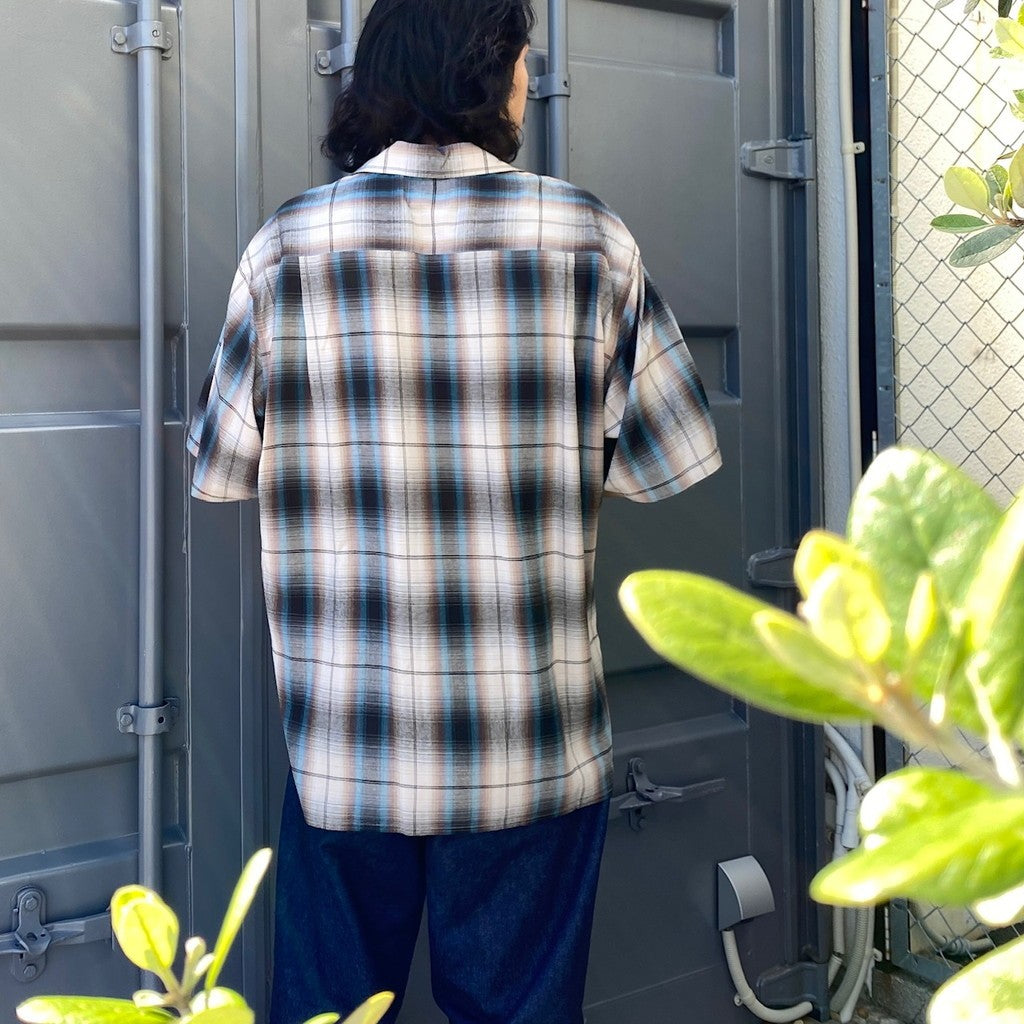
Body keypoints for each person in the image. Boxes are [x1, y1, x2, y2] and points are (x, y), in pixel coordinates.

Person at [187, 0, 721, 1021]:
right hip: (530, 742)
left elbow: (223, 466)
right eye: (523, 59)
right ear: (492, 70)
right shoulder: (590, 241)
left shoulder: (286, 249)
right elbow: (667, 458)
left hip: (347, 748)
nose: (529, 80)